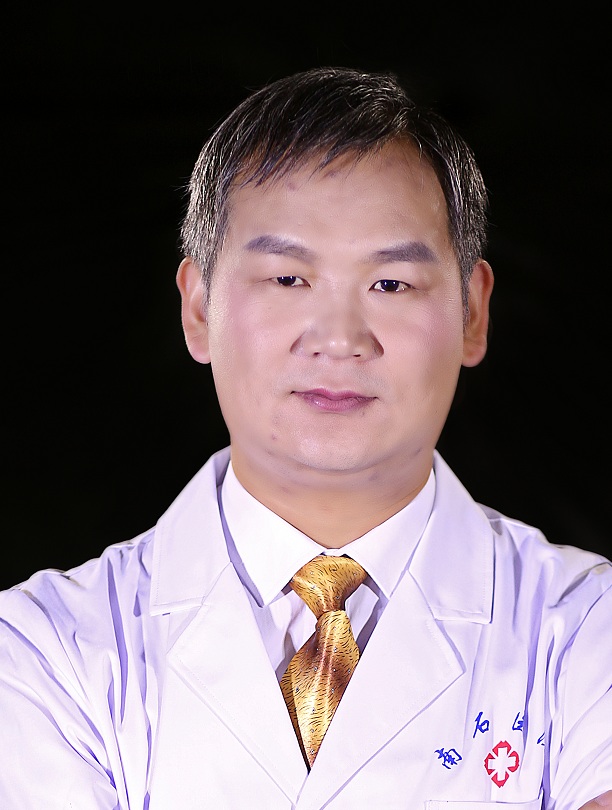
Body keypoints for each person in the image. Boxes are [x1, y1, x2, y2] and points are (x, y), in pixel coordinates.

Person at [0, 67, 610, 810]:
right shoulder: (43, 650)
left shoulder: (587, 627)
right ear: (198, 309)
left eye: (391, 284)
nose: (340, 338)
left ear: (472, 313)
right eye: (289, 279)